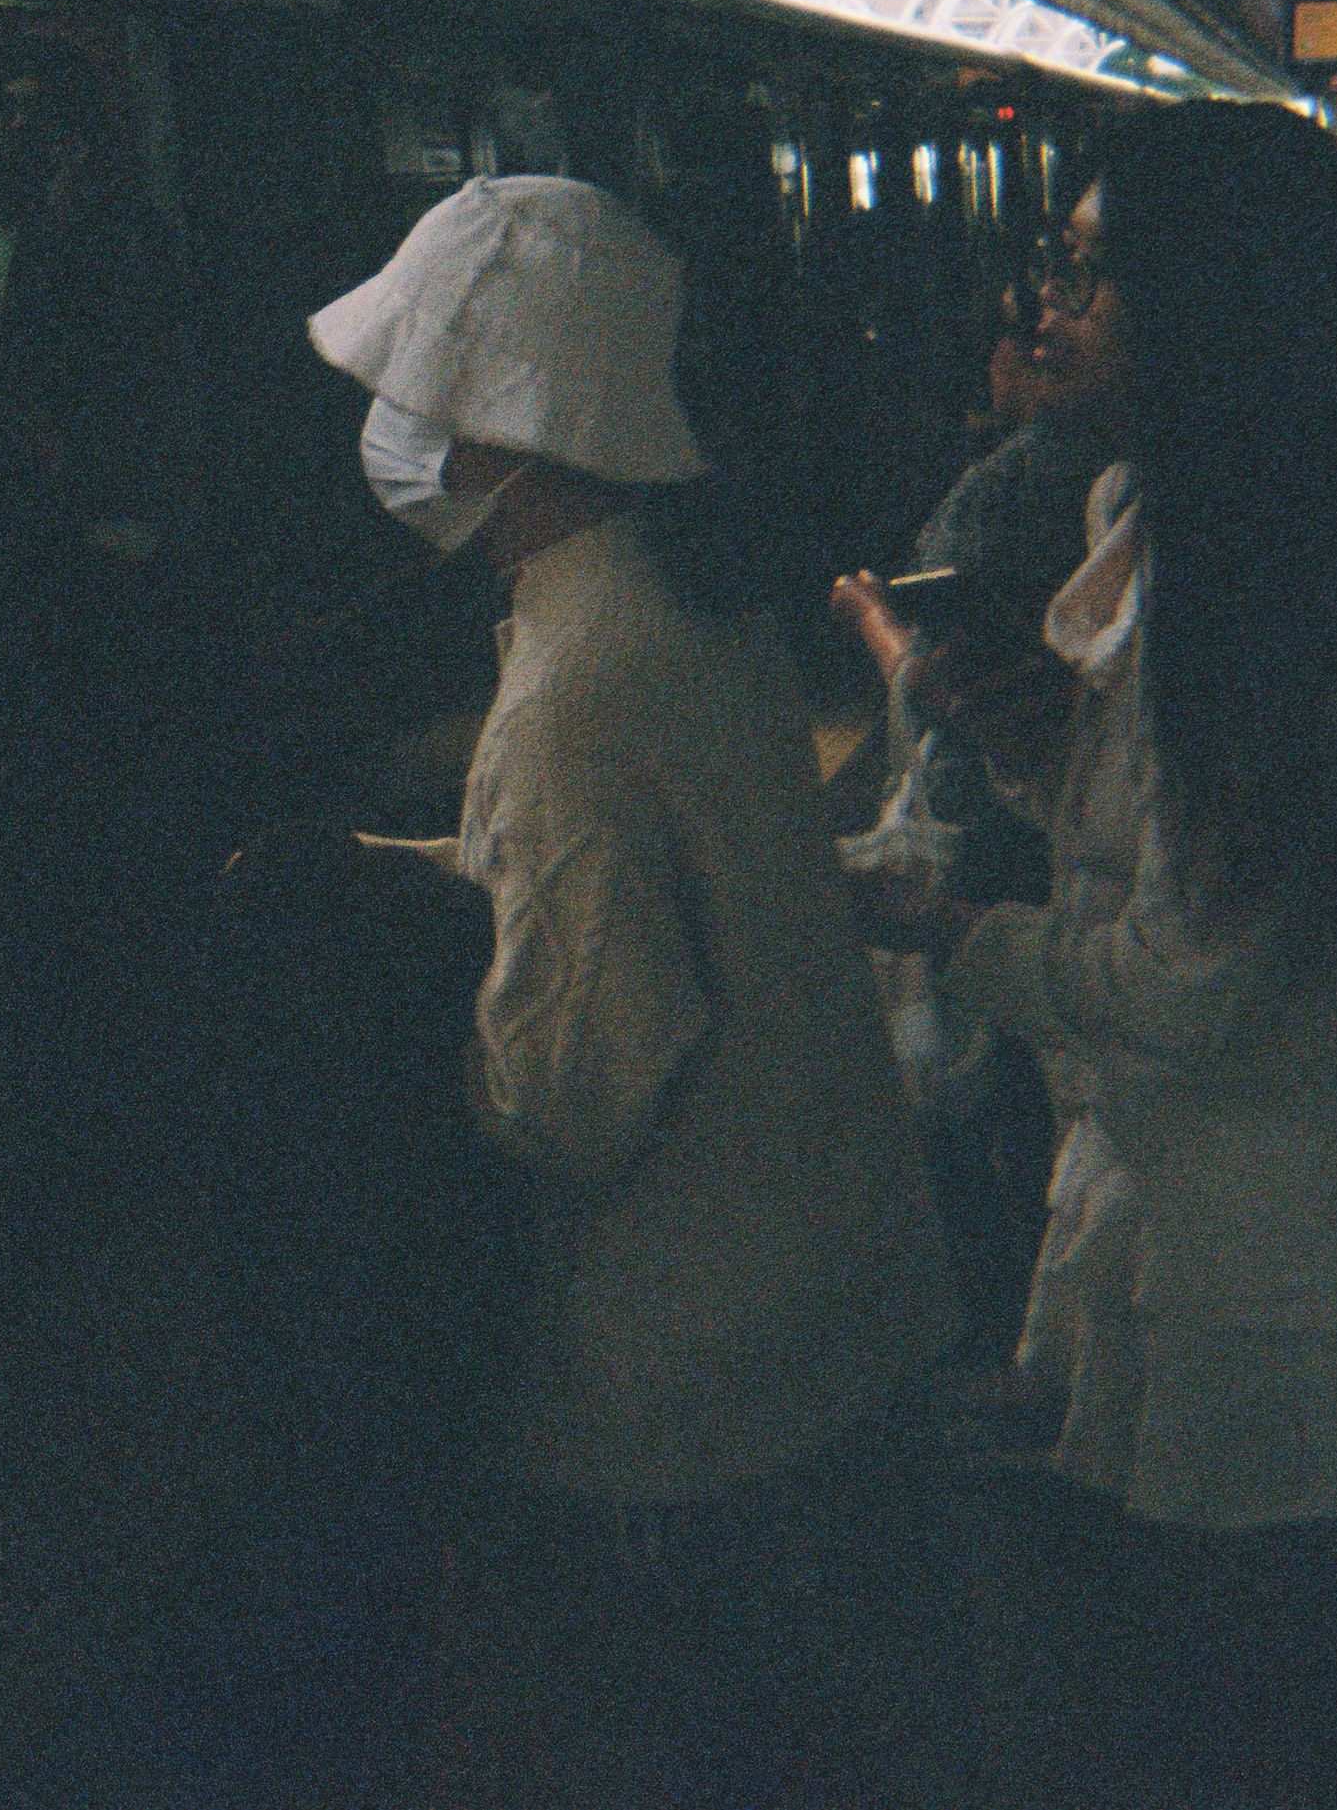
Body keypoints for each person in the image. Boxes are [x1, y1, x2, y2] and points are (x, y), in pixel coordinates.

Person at [856, 105, 1337, 1807]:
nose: (1053, 304)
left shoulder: (1266, 582)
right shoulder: (1192, 523)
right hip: (1213, 1170)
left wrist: (952, 929)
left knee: (1247, 1680)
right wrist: (1015, 748)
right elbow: (1163, 839)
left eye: (1094, 273)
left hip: (1270, 1227)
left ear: (1206, 306)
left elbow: (1187, 976)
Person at [308, 173, 959, 1805]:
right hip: (834, 1300)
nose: (396, 426)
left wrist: (412, 1024)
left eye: (418, 387)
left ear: (503, 426)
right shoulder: (693, 603)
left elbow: (572, 1096)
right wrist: (433, 868)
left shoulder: (570, 693)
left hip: (689, 1389)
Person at [830, 282, 1114, 1379]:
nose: (1037, 332)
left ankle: (1000, 1344)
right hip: (1040, 842)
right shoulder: (1118, 490)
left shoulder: (1015, 489)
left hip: (992, 842)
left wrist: (870, 618)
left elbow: (942, 697)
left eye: (1084, 287)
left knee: (987, 1107)